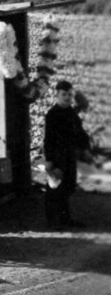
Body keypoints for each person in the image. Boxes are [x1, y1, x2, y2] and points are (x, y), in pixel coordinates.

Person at [43, 80, 89, 228]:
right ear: (57, 95)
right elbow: (48, 139)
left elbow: (79, 132)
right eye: (64, 94)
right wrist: (49, 159)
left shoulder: (72, 113)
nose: (67, 97)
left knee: (68, 187)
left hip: (69, 155)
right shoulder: (52, 114)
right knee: (55, 188)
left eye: (69, 94)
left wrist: (85, 146)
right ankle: (52, 221)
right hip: (57, 156)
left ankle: (65, 219)